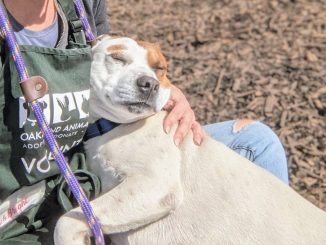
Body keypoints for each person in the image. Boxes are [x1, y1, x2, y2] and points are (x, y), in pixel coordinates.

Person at [0, 0, 288, 244]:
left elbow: (107, 58)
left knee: (256, 143)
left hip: (82, 161)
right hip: (27, 200)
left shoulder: (82, 5)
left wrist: (166, 89)